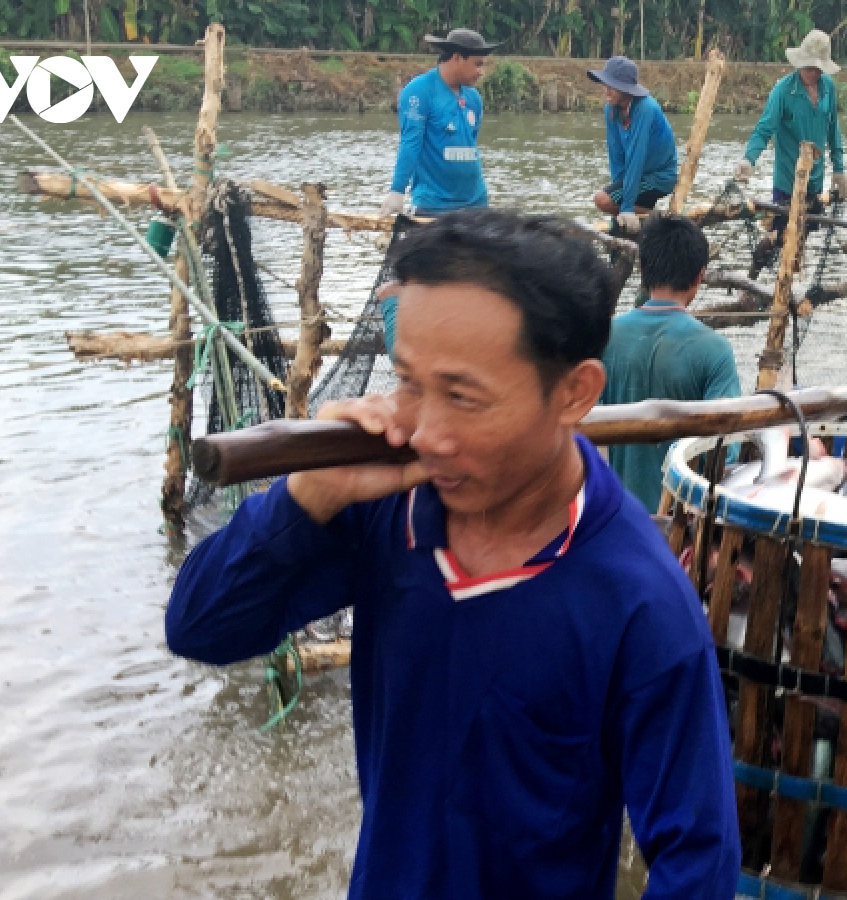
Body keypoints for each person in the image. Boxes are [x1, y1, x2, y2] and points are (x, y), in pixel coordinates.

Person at [165, 209, 740, 899]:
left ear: (575, 392)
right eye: (410, 382)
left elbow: (697, 859)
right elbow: (200, 626)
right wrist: (306, 495)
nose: (427, 432)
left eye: (463, 396)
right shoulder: (386, 512)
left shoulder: (639, 601)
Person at [600, 215, 741, 511]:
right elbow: (723, 452)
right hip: (677, 524)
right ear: (698, 277)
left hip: (614, 516)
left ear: (641, 269)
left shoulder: (605, 335)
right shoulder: (714, 349)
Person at [736, 29, 847, 276]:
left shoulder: (828, 88)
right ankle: (757, 271)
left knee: (802, 235)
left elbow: (833, 128)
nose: (815, 73)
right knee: (783, 235)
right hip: (788, 180)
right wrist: (749, 159)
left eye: (819, 69)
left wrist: (839, 169)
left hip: (815, 179)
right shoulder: (784, 91)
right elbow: (764, 129)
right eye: (811, 68)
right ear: (801, 63)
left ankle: (787, 285)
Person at [380, 28, 497, 219]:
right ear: (457, 57)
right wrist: (397, 191)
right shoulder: (419, 91)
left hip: (476, 204)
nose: (481, 72)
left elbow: (470, 142)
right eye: (477, 64)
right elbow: (410, 143)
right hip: (434, 205)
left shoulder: (473, 98)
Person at [588, 56, 678, 234]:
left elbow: (637, 156)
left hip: (658, 177)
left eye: (612, 86)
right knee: (622, 231)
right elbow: (616, 154)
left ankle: (662, 220)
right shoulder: (611, 109)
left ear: (625, 89)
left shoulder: (645, 108)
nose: (606, 90)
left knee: (602, 200)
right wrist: (620, 194)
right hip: (636, 178)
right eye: (605, 84)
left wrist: (627, 207)